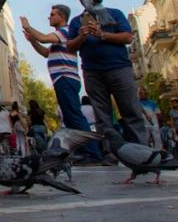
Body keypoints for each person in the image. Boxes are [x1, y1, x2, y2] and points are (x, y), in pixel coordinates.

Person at [63, 8, 148, 145]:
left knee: (130, 110)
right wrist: (81, 36)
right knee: (102, 116)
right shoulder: (76, 21)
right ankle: (111, 151)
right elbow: (70, 47)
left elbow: (127, 37)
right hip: (92, 72)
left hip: (119, 68)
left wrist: (102, 34)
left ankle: (141, 151)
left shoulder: (114, 14)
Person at [20, 8, 88, 131]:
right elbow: (45, 52)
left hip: (65, 77)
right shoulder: (59, 37)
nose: (48, 17)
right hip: (62, 78)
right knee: (69, 116)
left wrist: (27, 26)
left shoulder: (65, 31)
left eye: (52, 14)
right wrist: (32, 41)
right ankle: (83, 147)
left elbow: (43, 38)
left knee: (74, 116)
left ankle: (90, 148)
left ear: (62, 17)